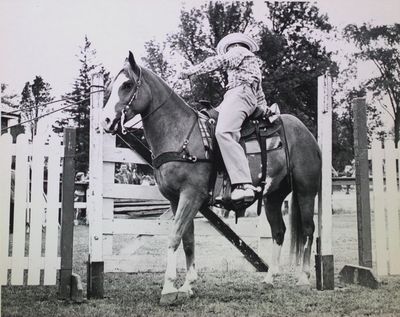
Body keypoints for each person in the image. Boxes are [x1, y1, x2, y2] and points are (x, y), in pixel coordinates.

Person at [180, 33, 269, 202]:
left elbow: (218, 62)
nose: (228, 52)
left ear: (232, 46)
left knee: (224, 132)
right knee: (207, 123)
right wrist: (264, 109)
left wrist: (190, 71)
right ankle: (219, 183)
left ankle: (243, 184)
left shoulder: (238, 51)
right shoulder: (251, 64)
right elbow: (260, 96)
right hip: (236, 96)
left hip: (239, 94)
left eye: (227, 49)